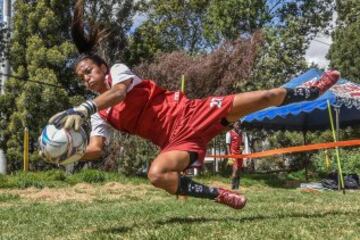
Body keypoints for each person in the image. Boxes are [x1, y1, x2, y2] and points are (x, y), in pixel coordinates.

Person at [47, 0, 340, 210]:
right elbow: (97, 149)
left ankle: (309, 91)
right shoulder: (102, 115)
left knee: (264, 98)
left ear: (102, 67)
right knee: (156, 175)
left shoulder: (118, 73)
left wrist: (84, 108)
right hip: (176, 140)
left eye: (89, 71)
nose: (86, 78)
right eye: (81, 77)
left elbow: (119, 94)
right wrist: (68, 155)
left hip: (194, 112)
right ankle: (218, 195)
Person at [226, 121, 244, 190]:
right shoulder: (229, 133)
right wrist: (229, 156)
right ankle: (233, 188)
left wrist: (242, 149)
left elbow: (242, 144)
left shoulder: (241, 133)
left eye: (239, 125)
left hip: (240, 154)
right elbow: (228, 145)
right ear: (233, 125)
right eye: (237, 124)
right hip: (233, 154)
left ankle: (237, 187)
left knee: (239, 170)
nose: (238, 126)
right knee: (235, 169)